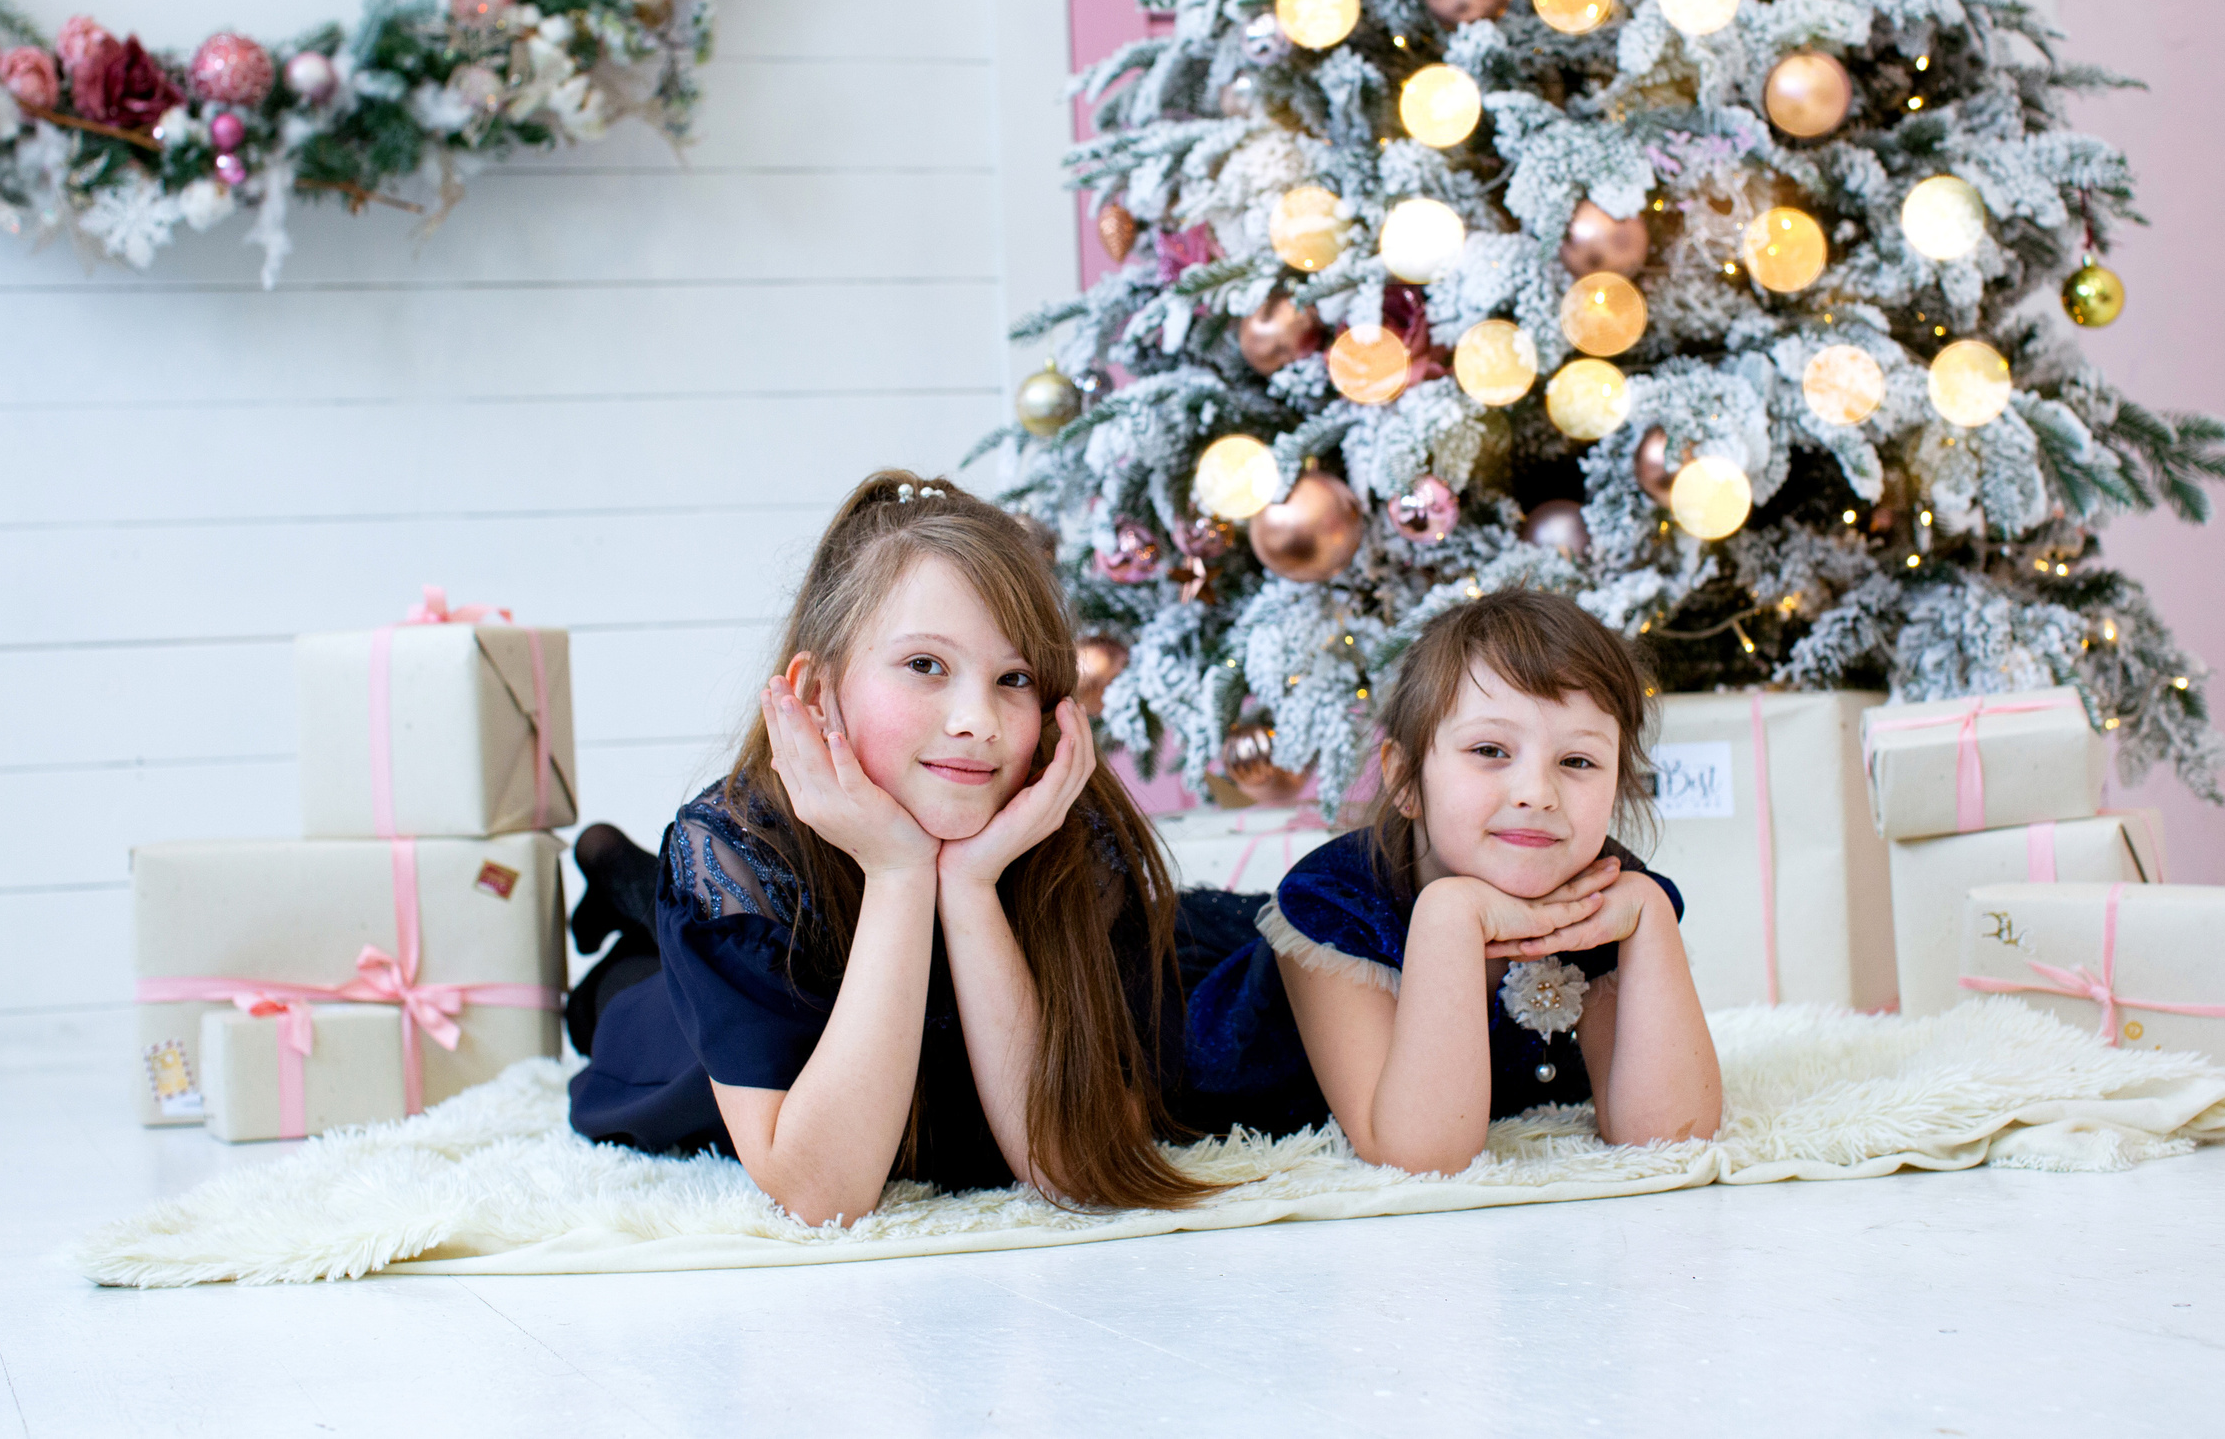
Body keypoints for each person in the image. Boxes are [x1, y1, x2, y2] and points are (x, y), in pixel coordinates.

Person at [566, 471, 1215, 1224]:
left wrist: (970, 886)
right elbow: (821, 1194)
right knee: (615, 999)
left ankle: (623, 879)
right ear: (817, 692)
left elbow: (1067, 1166)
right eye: (925, 665)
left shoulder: (1066, 830)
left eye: (1014, 678)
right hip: (694, 1029)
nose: (978, 719)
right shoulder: (732, 851)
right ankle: (624, 884)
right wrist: (898, 870)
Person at [1180, 589, 1723, 1173]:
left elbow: (1668, 1136)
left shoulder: (1605, 893)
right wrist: (1451, 917)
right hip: (1200, 1053)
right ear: (1407, 779)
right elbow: (1422, 1155)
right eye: (1490, 750)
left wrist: (1650, 912)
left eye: (1578, 761)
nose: (1537, 794)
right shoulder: (1334, 904)